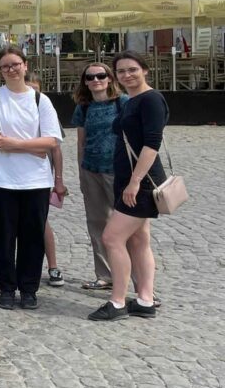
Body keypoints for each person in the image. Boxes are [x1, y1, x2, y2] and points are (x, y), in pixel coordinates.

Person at [0, 47, 63, 311]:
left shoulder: (41, 101)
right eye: (5, 66)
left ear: (25, 66)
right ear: (0, 71)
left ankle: (28, 289)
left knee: (32, 237)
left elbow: (51, 140)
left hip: (36, 181)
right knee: (3, 237)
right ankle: (6, 288)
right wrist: (33, 147)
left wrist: (13, 142)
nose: (11, 69)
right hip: (1, 180)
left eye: (15, 64)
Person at [89, 51, 167, 321]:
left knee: (112, 237)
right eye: (121, 71)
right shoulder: (133, 100)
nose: (126, 75)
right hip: (128, 179)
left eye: (132, 69)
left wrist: (135, 181)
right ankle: (145, 300)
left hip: (141, 182)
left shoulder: (151, 100)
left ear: (145, 70)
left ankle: (118, 301)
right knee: (138, 239)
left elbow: (152, 144)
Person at [72, 62, 127, 291]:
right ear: (85, 82)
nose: (96, 80)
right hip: (91, 169)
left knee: (125, 225)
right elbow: (81, 142)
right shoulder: (83, 107)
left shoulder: (122, 103)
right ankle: (104, 275)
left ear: (110, 78)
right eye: (90, 77)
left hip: (118, 171)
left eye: (101, 76)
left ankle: (134, 280)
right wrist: (81, 170)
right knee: (96, 222)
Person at [25, 71, 67, 288]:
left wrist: (58, 179)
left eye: (36, 88)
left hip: (42, 177)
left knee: (42, 222)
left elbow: (56, 150)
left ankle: (53, 265)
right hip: (21, 175)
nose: (32, 92)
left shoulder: (45, 109)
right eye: (28, 88)